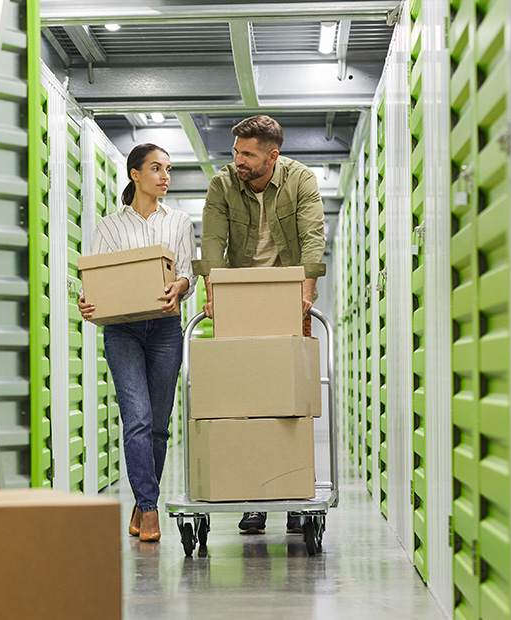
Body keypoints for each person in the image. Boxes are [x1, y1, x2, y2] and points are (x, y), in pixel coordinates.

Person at [192, 115, 326, 535]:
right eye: (236, 152)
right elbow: (211, 242)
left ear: (273, 154)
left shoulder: (301, 180)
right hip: (240, 298)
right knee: (245, 406)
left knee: (291, 407)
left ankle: (292, 493)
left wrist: (306, 293)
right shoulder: (223, 184)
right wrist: (213, 295)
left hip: (288, 296)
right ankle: (254, 499)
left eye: (247, 154)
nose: (238, 161)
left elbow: (312, 237)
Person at [77, 143, 196, 542]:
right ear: (135, 174)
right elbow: (97, 281)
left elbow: (186, 275)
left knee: (158, 427)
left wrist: (178, 286)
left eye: (168, 169)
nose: (165, 176)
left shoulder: (179, 221)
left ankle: (143, 498)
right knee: (138, 420)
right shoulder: (109, 227)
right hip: (123, 332)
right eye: (156, 168)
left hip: (165, 329)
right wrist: (86, 302)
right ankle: (149, 510)